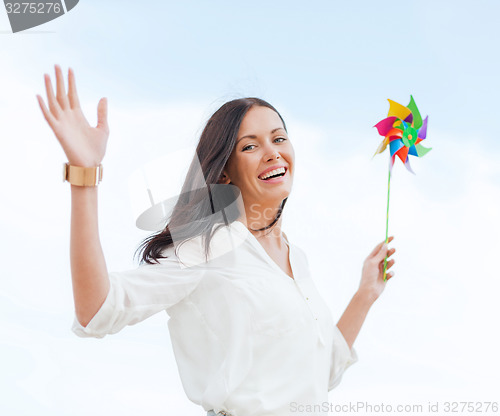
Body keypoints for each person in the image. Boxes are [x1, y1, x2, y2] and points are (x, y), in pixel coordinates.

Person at [37, 65, 396, 416]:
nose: (273, 151)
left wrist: (365, 294)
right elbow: (97, 309)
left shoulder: (295, 257)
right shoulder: (209, 249)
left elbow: (322, 372)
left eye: (279, 138)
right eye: (250, 146)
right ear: (225, 169)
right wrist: (84, 175)